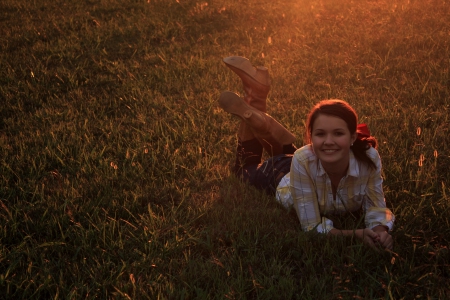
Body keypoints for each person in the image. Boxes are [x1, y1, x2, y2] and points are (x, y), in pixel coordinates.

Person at [219, 56, 395, 250]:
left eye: (338, 133)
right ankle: (255, 101)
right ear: (311, 138)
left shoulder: (368, 157)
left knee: (312, 154)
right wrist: (356, 234)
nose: (329, 141)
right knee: (243, 170)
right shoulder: (304, 158)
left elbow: (376, 205)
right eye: (320, 134)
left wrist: (381, 231)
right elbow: (312, 227)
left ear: (353, 137)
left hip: (307, 162)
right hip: (280, 175)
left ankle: (261, 106)